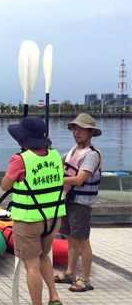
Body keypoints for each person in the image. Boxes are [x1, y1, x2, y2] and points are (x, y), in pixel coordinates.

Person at [0, 116, 65, 305]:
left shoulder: (19, 160)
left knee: (31, 266)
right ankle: (53, 296)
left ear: (23, 139)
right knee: (43, 255)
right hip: (53, 217)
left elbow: (5, 185)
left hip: (29, 220)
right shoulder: (55, 155)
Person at [56, 113, 102, 293]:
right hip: (69, 200)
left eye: (81, 129)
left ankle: (86, 278)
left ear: (90, 132)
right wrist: (45, 148)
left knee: (82, 240)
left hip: (81, 204)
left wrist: (56, 180)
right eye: (74, 128)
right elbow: (56, 161)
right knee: (70, 238)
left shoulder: (91, 155)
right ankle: (70, 273)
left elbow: (79, 179)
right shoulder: (73, 150)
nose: (76, 132)